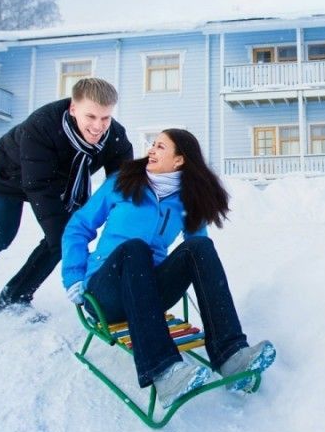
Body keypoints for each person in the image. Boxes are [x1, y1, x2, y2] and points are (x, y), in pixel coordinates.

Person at [61, 128, 275, 408]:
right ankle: (163, 371)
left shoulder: (186, 200)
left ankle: (230, 354)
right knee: (135, 248)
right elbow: (79, 226)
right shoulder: (122, 182)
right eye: (153, 144)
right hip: (106, 294)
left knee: (200, 247)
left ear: (179, 160)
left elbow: (198, 258)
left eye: (161, 146)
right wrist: (74, 275)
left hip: (148, 293)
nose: (151, 150)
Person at [0, 77, 133, 317]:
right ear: (73, 109)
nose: (98, 126)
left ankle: (14, 298)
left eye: (105, 118)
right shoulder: (41, 127)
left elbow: (123, 184)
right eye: (90, 116)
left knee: (64, 238)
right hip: (10, 176)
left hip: (62, 181)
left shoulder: (115, 137)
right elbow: (39, 186)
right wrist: (65, 240)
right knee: (4, 234)